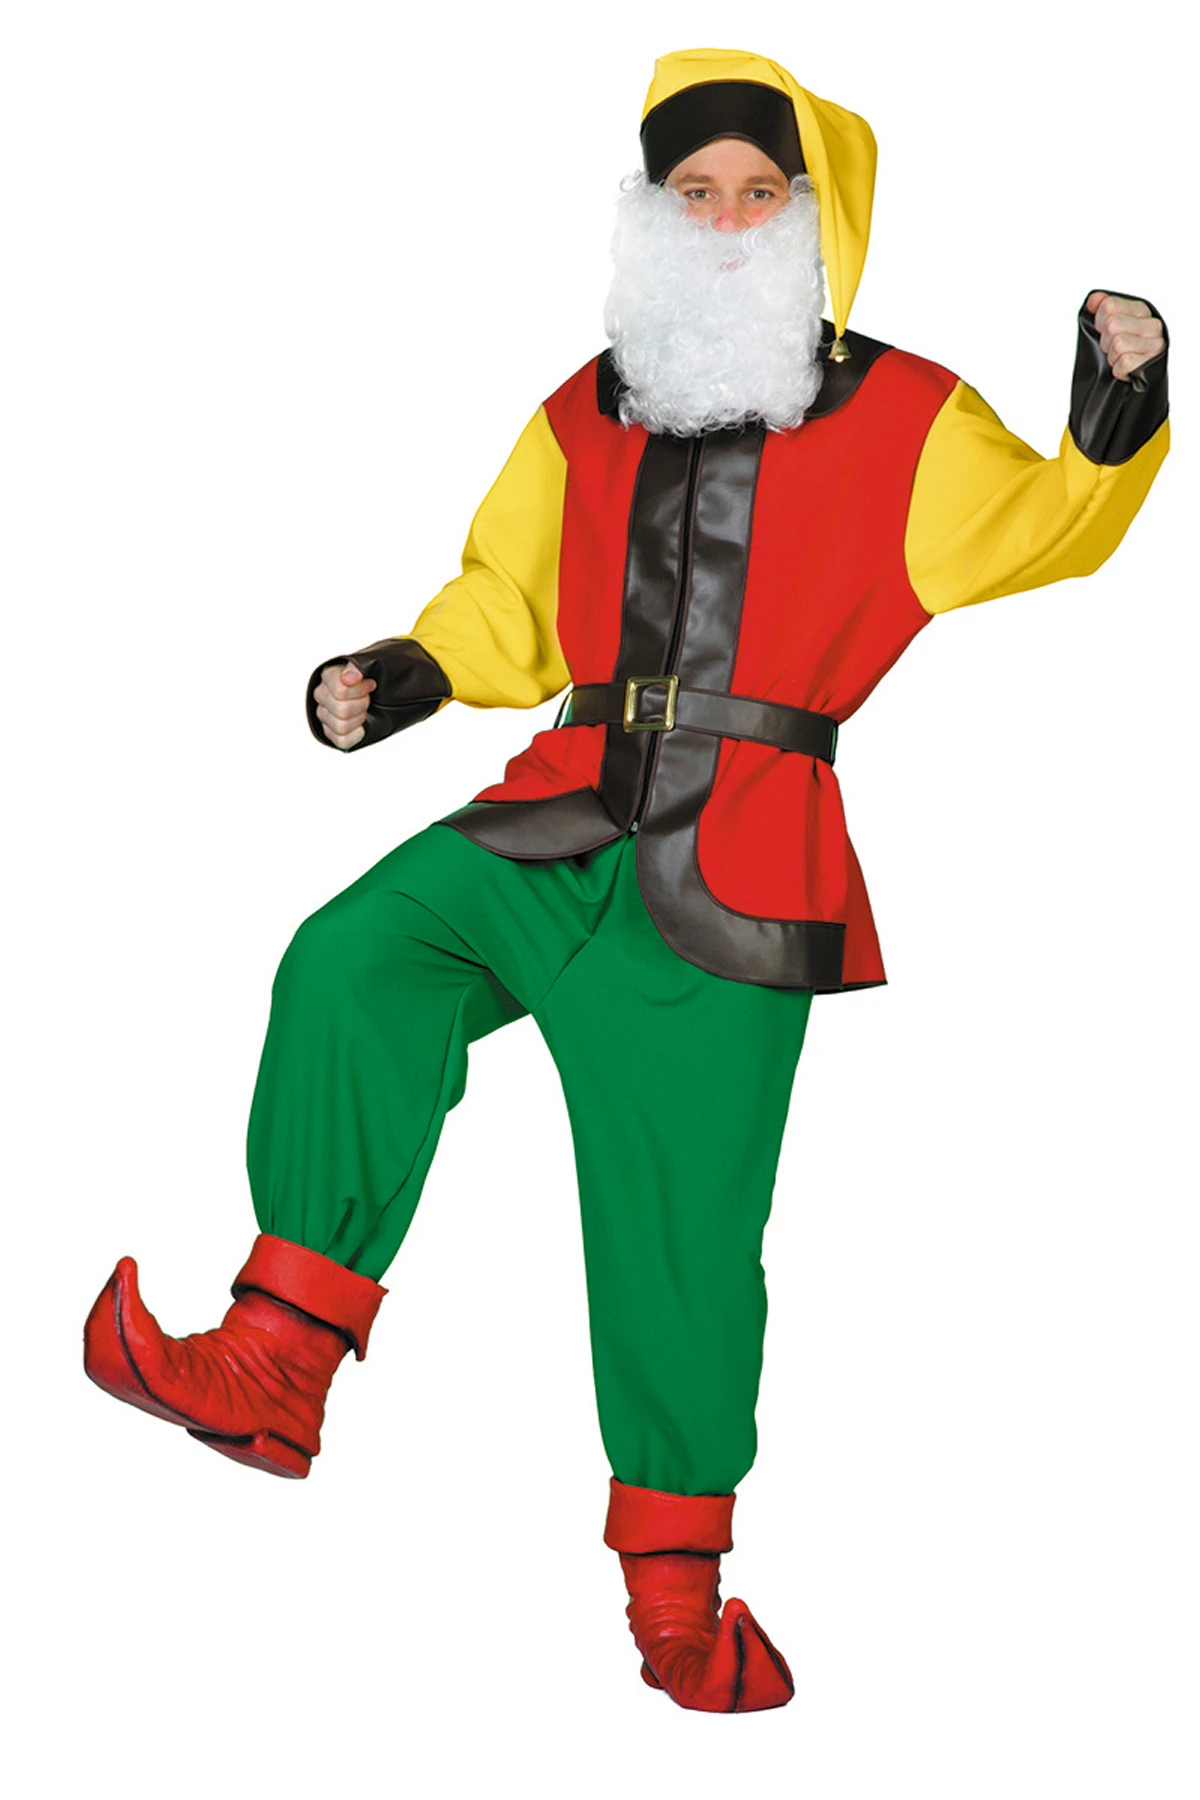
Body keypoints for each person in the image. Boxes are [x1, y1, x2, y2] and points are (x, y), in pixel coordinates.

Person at [82, 46, 1169, 1714]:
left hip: (737, 856)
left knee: (676, 1233)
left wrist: (1115, 412)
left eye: (758, 194)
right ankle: (275, 1362)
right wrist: (406, 673)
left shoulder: (903, 414)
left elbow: (1037, 526)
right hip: (559, 814)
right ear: (653, 215)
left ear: (813, 219)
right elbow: (506, 602)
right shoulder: (587, 408)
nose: (723, 220)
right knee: (355, 959)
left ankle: (678, 1594)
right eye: (694, 193)